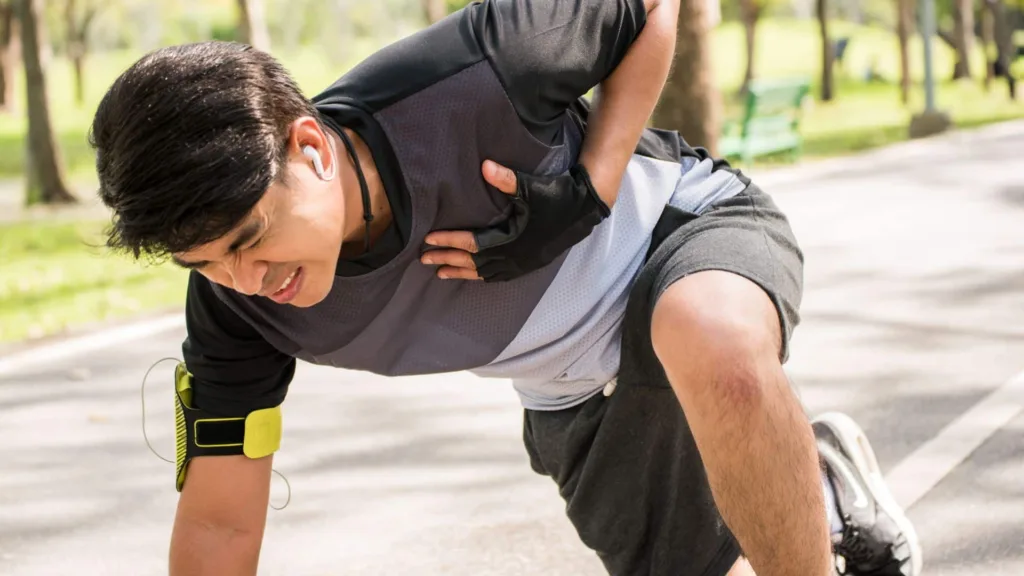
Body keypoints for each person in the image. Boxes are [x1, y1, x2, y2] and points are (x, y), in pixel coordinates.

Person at [90, 1, 922, 574]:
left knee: (705, 335)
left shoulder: (479, 70)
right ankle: (817, 488)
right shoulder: (238, 315)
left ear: (309, 146)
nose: (247, 279)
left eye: (251, 238)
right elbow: (219, 521)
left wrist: (590, 185)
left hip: (677, 234)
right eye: (205, 265)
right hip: (571, 390)